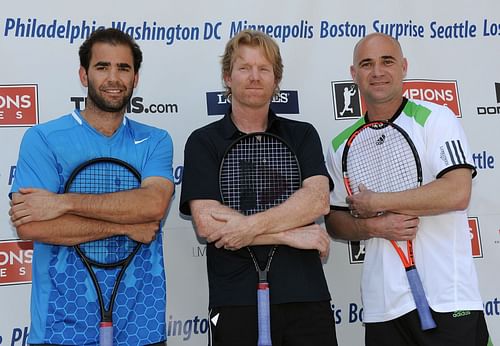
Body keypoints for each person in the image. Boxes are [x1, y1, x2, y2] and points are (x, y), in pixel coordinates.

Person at [8, 28, 174, 346]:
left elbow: (152, 206)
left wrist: (63, 203)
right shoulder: (42, 138)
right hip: (60, 328)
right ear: (84, 75)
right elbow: (31, 226)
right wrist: (127, 226)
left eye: (123, 68)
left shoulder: (156, 140)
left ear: (136, 78)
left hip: (142, 327)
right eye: (102, 67)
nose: (114, 77)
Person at [325, 32, 490, 345]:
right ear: (353, 74)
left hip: (448, 301)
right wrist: (375, 226)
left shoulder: (436, 119)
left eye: (387, 61)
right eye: (366, 64)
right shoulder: (340, 145)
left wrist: (379, 202)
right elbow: (334, 221)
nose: (377, 72)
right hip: (383, 309)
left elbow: (457, 192)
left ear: (403, 66)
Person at [179, 29, 337, 346]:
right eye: (244, 68)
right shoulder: (203, 141)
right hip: (235, 298)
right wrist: (289, 233)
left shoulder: (303, 134)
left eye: (264, 69)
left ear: (276, 80)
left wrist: (246, 227)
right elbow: (207, 223)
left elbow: (317, 201)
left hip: (305, 296)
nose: (254, 77)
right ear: (227, 76)